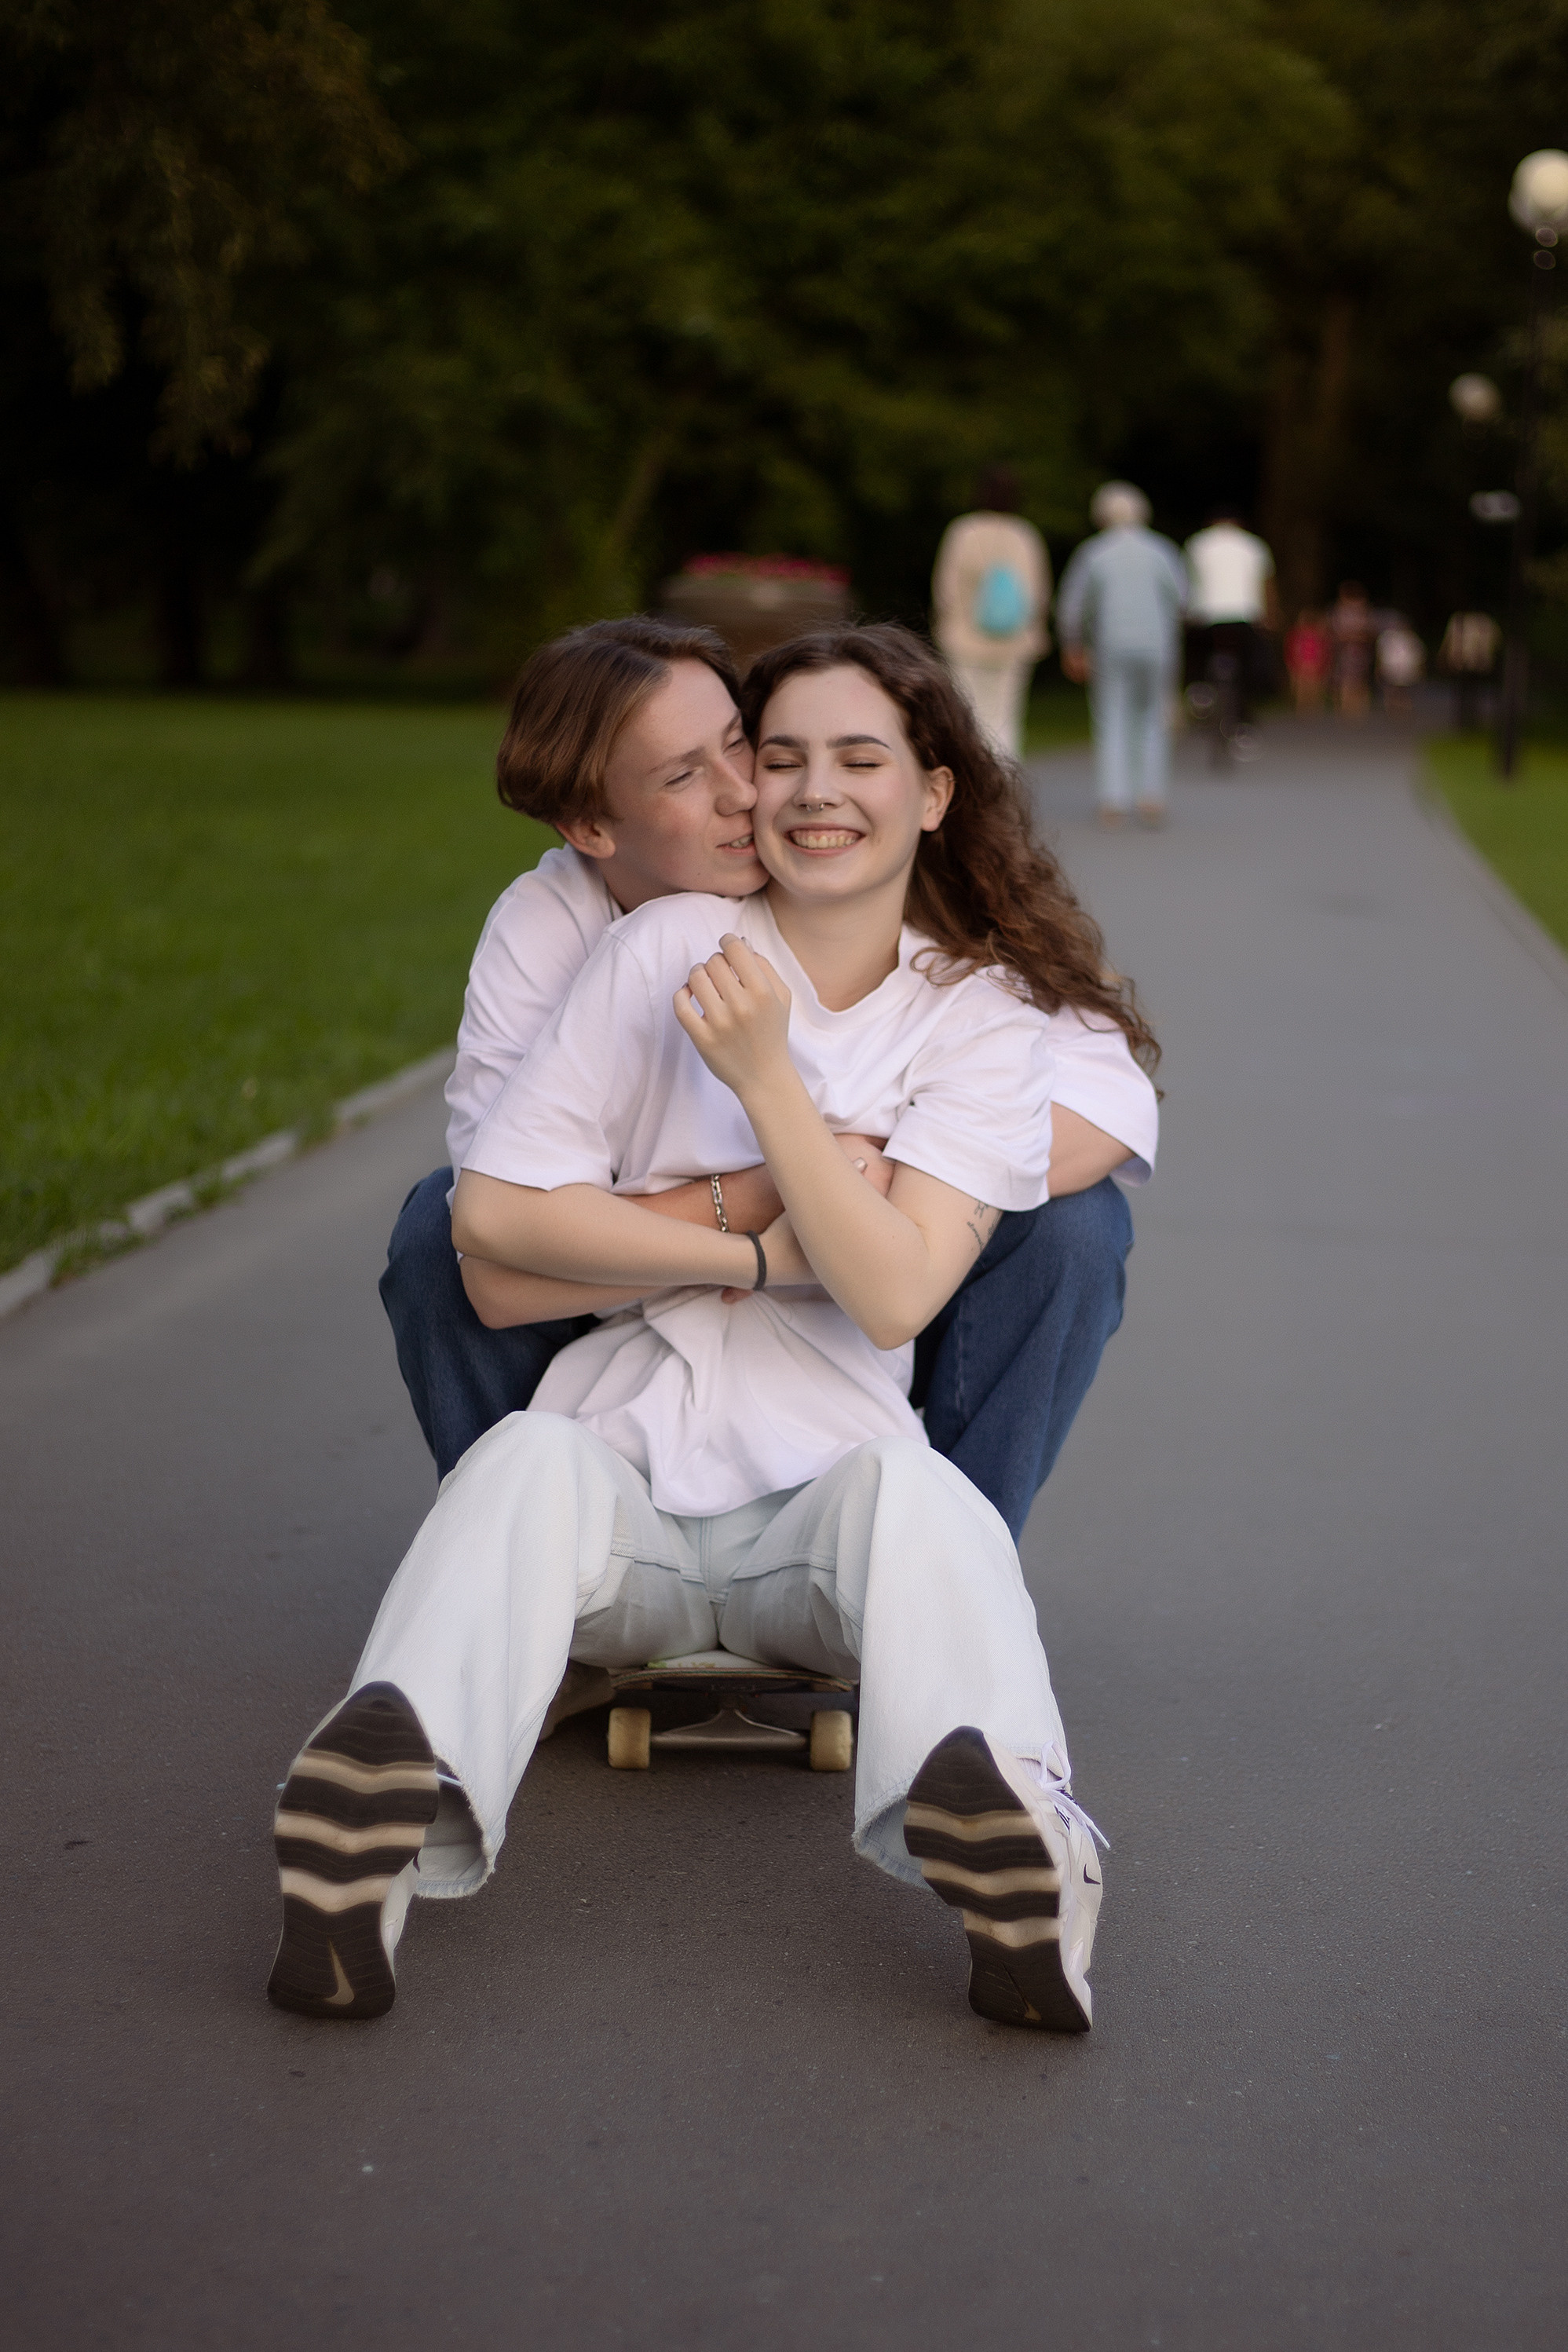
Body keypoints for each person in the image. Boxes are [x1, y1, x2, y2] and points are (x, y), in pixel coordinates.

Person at [267, 625, 1147, 2036]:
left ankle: (1016, 1847)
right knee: (519, 1469)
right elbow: (485, 1220)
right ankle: (369, 1834)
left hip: (825, 1507)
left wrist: (761, 1079)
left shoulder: (977, 1018)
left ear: (933, 791)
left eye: (853, 758)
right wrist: (759, 1238)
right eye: (773, 752)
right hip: (619, 1485)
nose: (792, 790)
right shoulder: (658, 939)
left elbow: (899, 1295)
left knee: (927, 1509)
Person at [380, 616, 1158, 1545]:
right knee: (434, 1229)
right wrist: (756, 1208)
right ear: (591, 826)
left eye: (742, 747)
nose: (746, 792)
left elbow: (1105, 1108)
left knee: (1075, 1225)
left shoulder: (857, 878)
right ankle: (518, 1559)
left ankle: (948, 1561)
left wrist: (887, 1181)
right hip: (636, 1297)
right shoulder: (558, 926)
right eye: (683, 776)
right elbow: (502, 1237)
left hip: (869, 1281)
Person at [1055, 483, 1187, 829]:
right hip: (1157, 644)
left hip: (1111, 644)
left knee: (1111, 716)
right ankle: (1151, 795)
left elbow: (1072, 605)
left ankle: (1113, 799)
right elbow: (1183, 598)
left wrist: (1073, 645)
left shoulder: (1094, 552)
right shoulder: (1162, 550)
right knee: (1153, 716)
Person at [930, 467, 1051, 760]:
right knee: (1007, 715)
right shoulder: (1025, 535)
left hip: (964, 638)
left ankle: (974, 782)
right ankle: (1005, 783)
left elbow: (946, 590)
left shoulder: (963, 531)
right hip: (1014, 641)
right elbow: (1039, 593)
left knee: (968, 713)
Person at [1183, 505, 1277, 721]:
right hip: (1244, 617)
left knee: (1195, 651)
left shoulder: (1197, 544)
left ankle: (1198, 690)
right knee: (1250, 665)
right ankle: (1245, 722)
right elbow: (1266, 584)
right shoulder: (1253, 545)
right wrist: (1270, 615)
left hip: (1205, 617)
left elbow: (1187, 583)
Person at [1438, 610, 1500, 730]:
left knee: (1471, 692)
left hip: (1474, 662)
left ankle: (1469, 720)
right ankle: (1464, 720)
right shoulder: (1461, 621)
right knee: (1465, 691)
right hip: (1463, 662)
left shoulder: (1482, 622)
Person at [1330, 583, 1376, 720]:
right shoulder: (1339, 611)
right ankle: (1346, 708)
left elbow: (1370, 632)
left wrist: (1358, 635)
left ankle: (1359, 708)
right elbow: (1336, 632)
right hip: (1344, 651)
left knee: (1360, 678)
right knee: (1345, 678)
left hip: (1360, 651)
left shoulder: (1364, 611)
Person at [1284, 610, 1332, 715]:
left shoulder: (1319, 635)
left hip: (1315, 664)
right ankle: (1302, 708)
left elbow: (1323, 651)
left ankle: (1314, 707)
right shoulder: (1297, 635)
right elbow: (1293, 650)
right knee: (1301, 687)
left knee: (1315, 686)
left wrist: (1321, 664)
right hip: (1301, 664)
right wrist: (1295, 664)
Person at [1376, 620, 1425, 715]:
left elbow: (1418, 655)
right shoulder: (1389, 638)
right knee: (1393, 688)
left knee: (1402, 688)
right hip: (1392, 668)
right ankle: (1395, 707)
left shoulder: (1412, 639)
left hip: (1405, 668)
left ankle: (1401, 707)